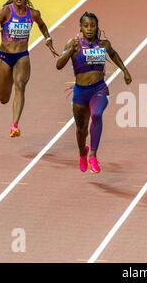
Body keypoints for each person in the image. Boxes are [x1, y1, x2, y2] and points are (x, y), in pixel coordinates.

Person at [56, 12, 132, 173]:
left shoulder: (103, 44)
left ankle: (93, 155)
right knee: (81, 129)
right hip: (80, 92)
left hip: (99, 89)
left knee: (97, 115)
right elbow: (58, 65)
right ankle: (82, 153)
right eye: (86, 25)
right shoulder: (74, 43)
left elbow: (113, 54)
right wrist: (69, 51)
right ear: (81, 27)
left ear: (97, 27)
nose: (89, 29)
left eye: (92, 25)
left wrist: (125, 71)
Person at [0, 0, 59, 137]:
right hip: (5, 57)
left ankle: (15, 125)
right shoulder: (5, 11)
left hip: (22, 56)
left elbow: (42, 25)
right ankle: (5, 75)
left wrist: (48, 38)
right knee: (4, 99)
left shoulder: (33, 14)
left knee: (20, 86)